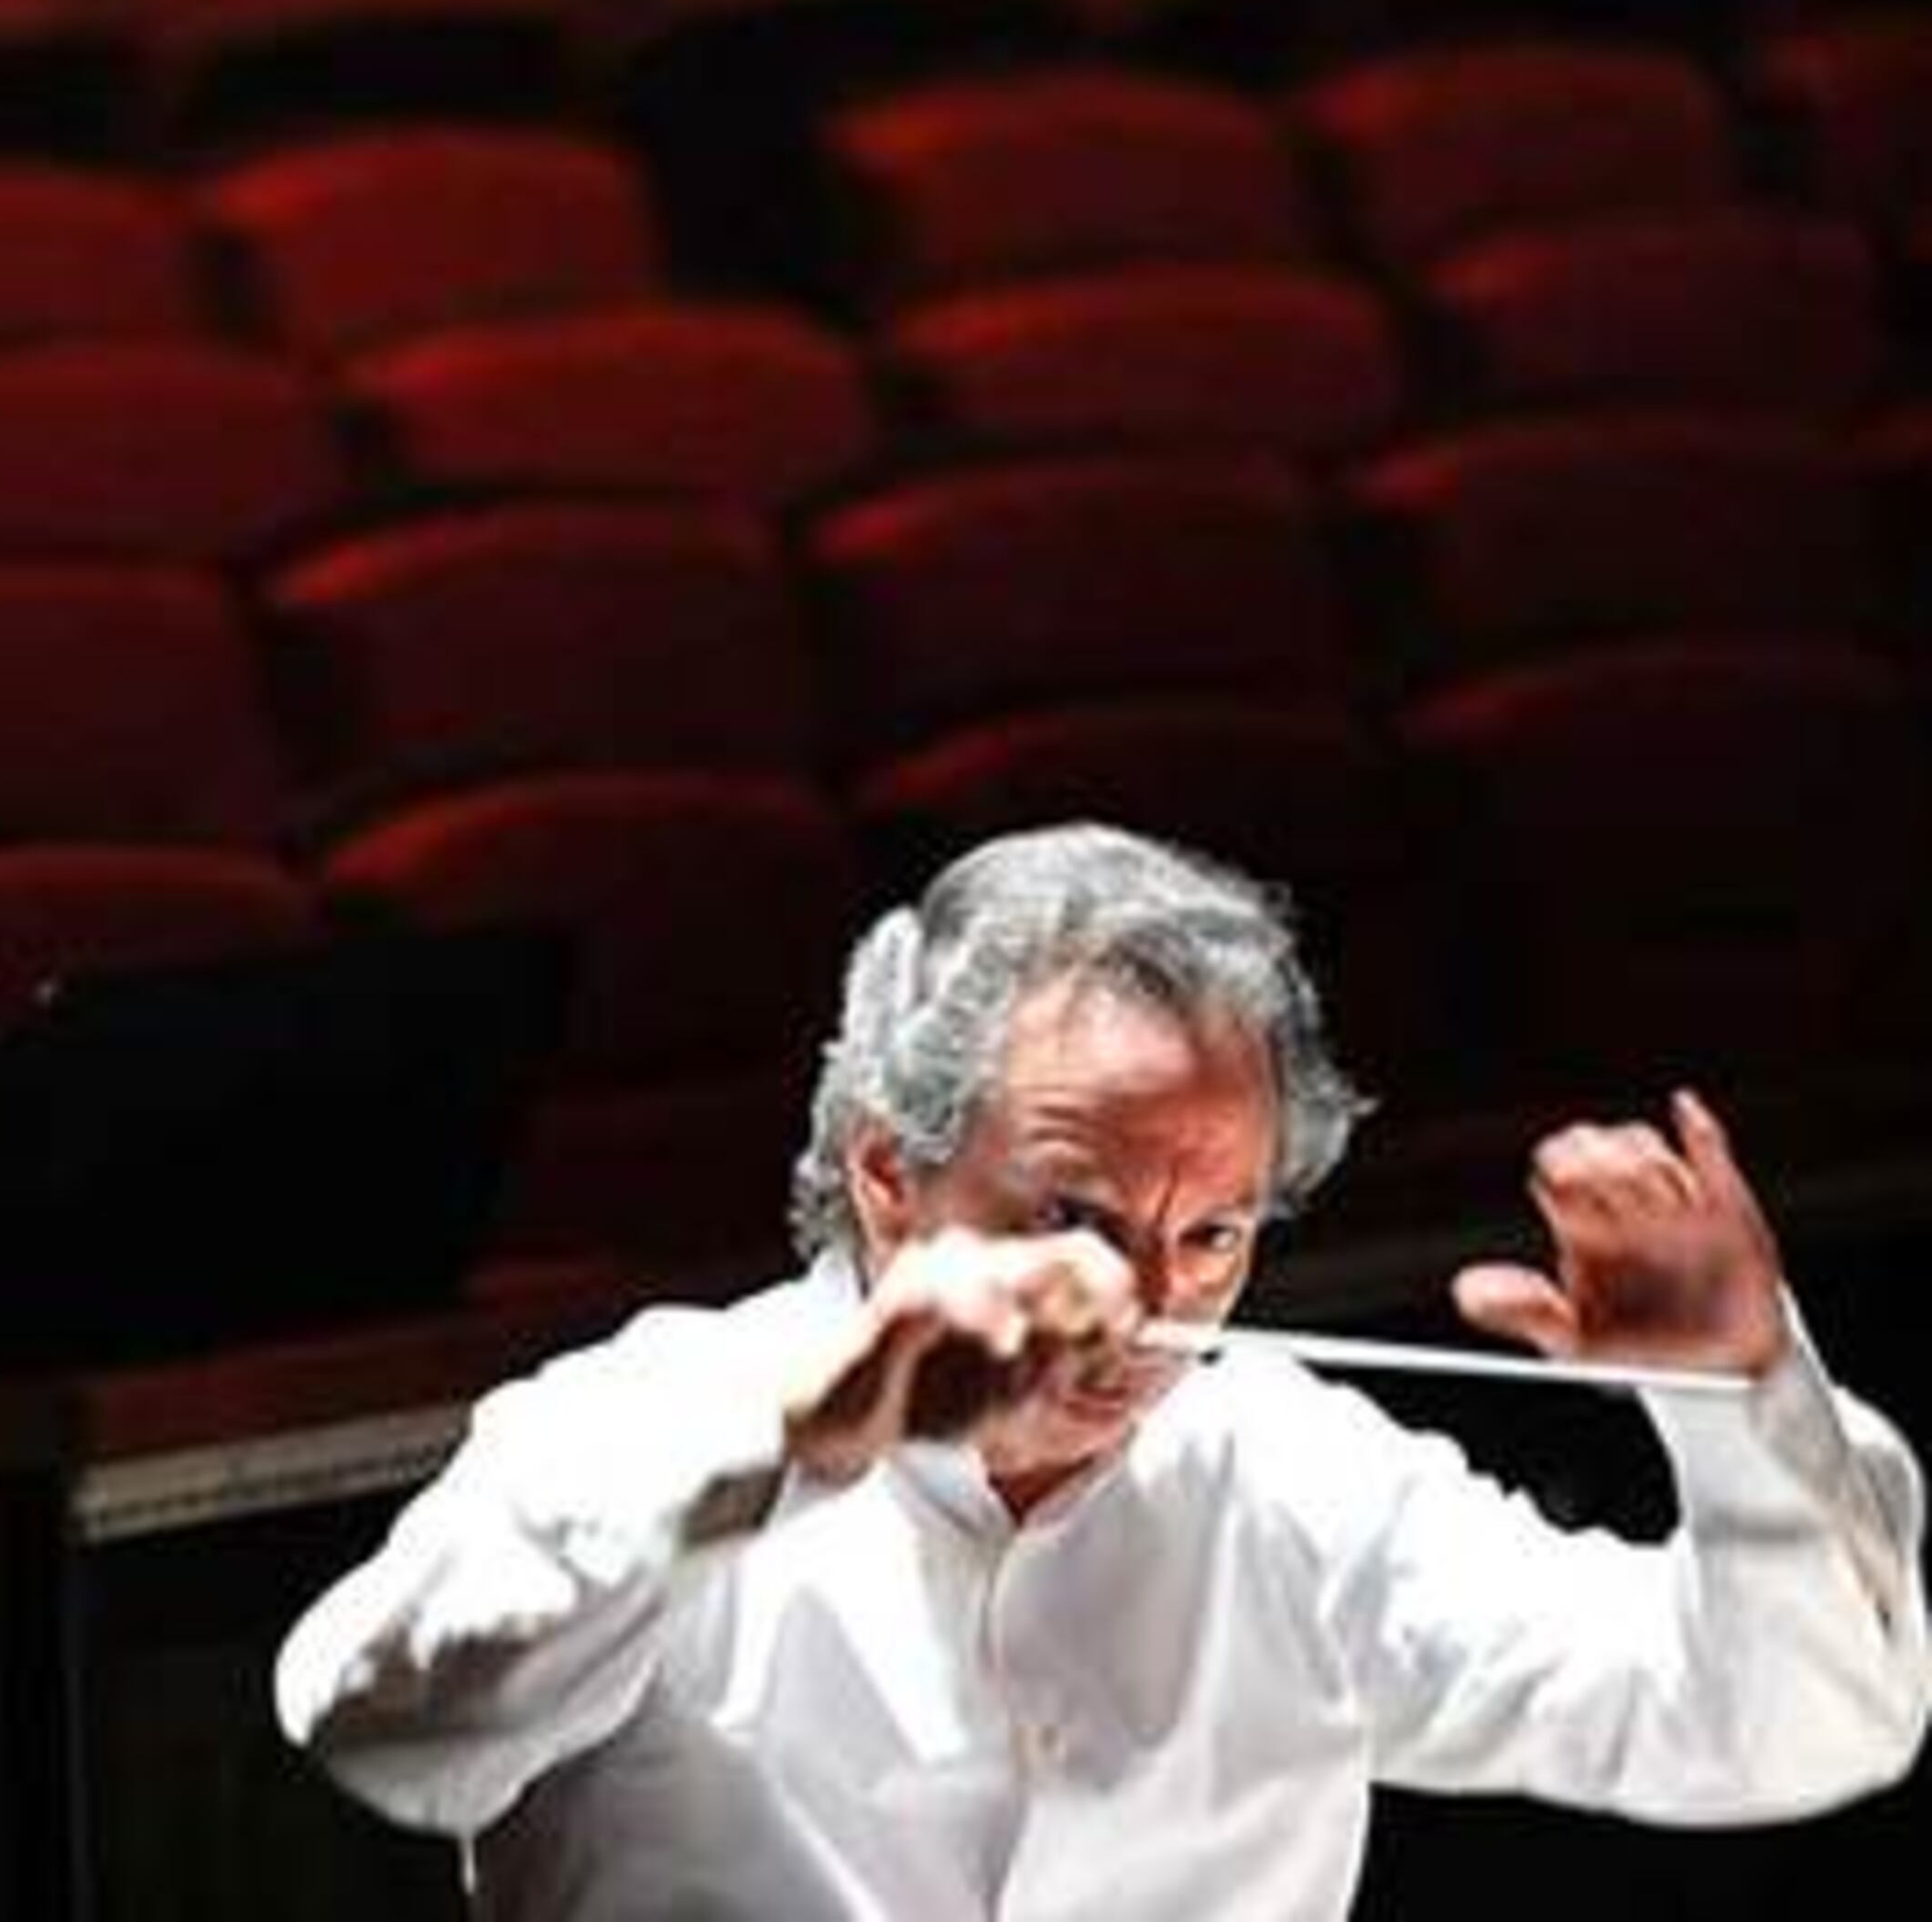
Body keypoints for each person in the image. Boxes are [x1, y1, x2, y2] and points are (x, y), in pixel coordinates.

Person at [273, 822, 1930, 1919]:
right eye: (1073, 1215)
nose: (1150, 1307)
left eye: (1215, 1235)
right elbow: (381, 1735)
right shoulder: (653, 1418)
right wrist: (793, 1440)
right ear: (887, 1174)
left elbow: (1781, 1733)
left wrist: (1738, 1397)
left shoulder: (1296, 1473)